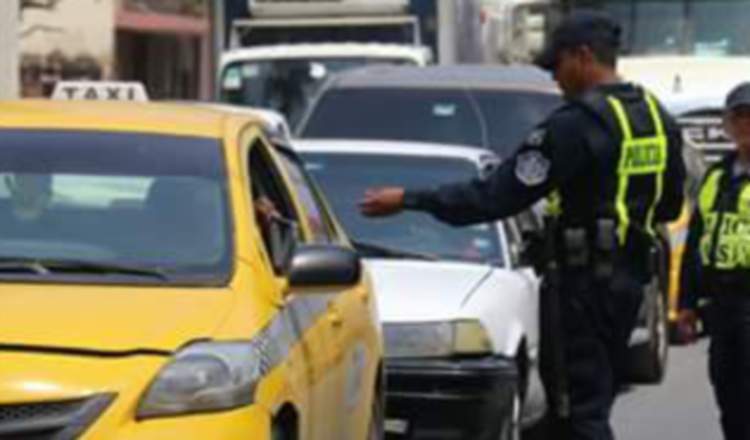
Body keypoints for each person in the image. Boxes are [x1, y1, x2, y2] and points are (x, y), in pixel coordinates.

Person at [359, 10, 685, 440]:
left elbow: (495, 196)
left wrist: (409, 200)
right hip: (629, 283)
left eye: (557, 66)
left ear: (583, 56)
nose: (555, 79)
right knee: (593, 402)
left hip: (581, 290)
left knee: (577, 414)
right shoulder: (654, 116)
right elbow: (668, 205)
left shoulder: (574, 125)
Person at [677, 82, 750, 440]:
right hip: (721, 305)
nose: (745, 126)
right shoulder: (717, 176)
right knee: (728, 393)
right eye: (739, 117)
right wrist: (686, 305)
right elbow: (696, 241)